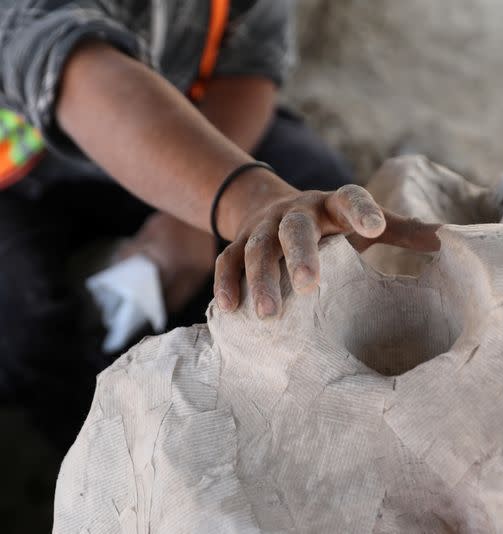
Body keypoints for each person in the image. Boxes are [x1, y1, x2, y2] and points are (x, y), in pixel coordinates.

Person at [0, 0, 438, 447]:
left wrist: (188, 221)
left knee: (320, 197)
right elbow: (69, 65)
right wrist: (249, 200)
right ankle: (92, 452)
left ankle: (235, 405)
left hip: (181, 122)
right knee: (26, 319)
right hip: (21, 174)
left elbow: (248, 64)